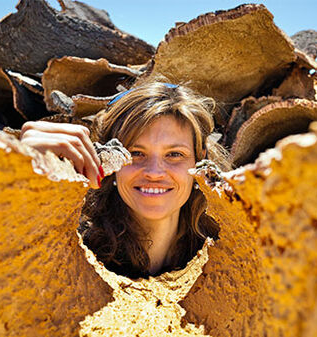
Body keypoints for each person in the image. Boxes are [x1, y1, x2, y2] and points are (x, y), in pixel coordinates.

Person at [21, 82, 230, 278]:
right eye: (136, 153)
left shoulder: (229, 257)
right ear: (110, 160)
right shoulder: (67, 248)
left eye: (174, 154)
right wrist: (21, 174)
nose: (155, 172)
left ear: (201, 161)